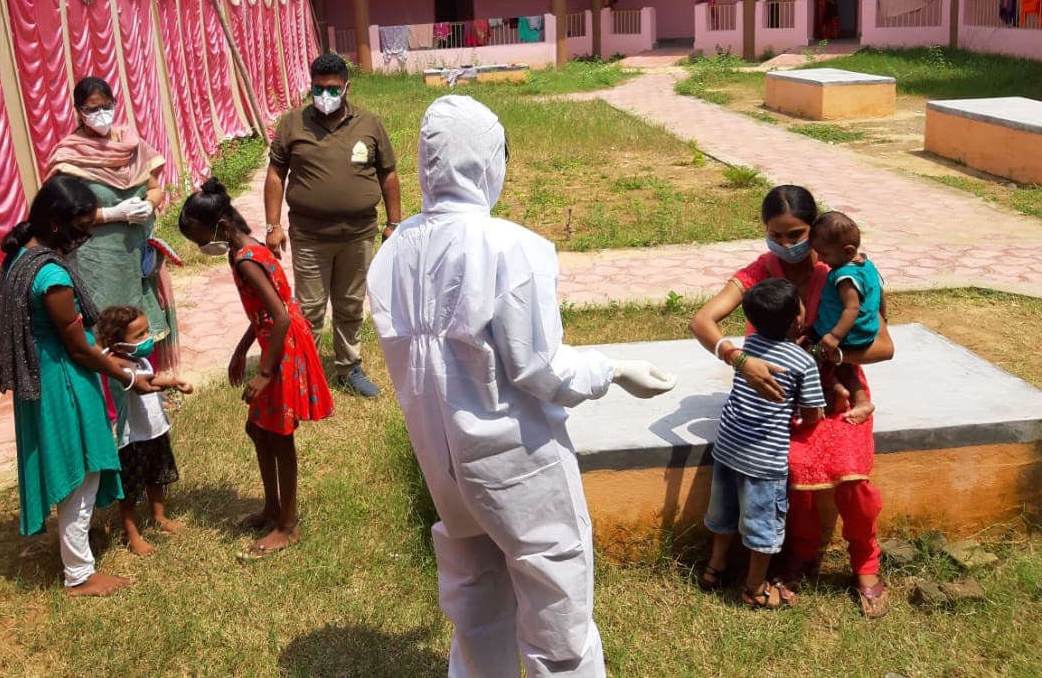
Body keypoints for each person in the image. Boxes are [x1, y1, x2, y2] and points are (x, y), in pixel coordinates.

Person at [367, 95, 676, 677]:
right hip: (516, 459)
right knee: (555, 593)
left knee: (475, 589)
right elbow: (542, 369)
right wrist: (613, 369)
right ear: (487, 160)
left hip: (441, 455)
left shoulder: (393, 251)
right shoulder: (512, 248)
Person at [689, 184, 895, 619]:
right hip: (775, 398)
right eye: (776, 234)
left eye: (796, 233)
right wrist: (739, 359)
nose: (785, 244)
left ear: (814, 228)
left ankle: (866, 562)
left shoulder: (845, 272)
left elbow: (884, 347)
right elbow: (702, 320)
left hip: (837, 390)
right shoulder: (758, 272)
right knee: (794, 472)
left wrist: (820, 354)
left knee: (852, 478)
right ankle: (796, 556)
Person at [0, 175, 163, 597]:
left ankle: (76, 557)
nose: (85, 236)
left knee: (77, 465)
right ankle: (79, 574)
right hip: (62, 380)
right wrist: (128, 376)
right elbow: (79, 349)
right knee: (81, 470)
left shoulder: (20, 256)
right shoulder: (51, 276)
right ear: (56, 224)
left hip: (46, 375)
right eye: (81, 228)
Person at [179, 178, 335, 559]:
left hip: (283, 348)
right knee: (258, 428)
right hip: (276, 343)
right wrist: (240, 350)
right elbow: (266, 312)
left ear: (221, 226)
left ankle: (288, 524)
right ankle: (272, 508)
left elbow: (279, 317)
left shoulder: (246, 260)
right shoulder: (248, 249)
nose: (201, 248)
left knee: (279, 435)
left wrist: (264, 373)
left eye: (201, 238)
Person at [264, 52, 402, 398]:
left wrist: (394, 222)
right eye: (318, 88)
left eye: (332, 89)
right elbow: (276, 174)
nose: (325, 96)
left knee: (351, 303)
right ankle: (306, 375)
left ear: (347, 88)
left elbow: (388, 174)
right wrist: (272, 225)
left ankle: (349, 368)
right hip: (310, 235)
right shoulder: (292, 124)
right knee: (309, 309)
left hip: (358, 235)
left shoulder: (369, 124)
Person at [700, 278, 825, 610]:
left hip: (727, 447)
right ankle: (755, 588)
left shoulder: (746, 348)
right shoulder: (804, 363)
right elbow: (812, 415)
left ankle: (715, 568)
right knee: (762, 525)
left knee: (723, 513)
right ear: (797, 318)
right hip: (764, 459)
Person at [45, 77, 178, 375]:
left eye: (107, 106)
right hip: (98, 259)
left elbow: (155, 188)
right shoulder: (70, 156)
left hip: (136, 251)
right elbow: (61, 214)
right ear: (79, 111)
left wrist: (150, 204)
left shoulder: (129, 143)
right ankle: (118, 391)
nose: (102, 114)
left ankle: (149, 381)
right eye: (93, 109)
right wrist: (111, 213)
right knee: (108, 320)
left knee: (143, 316)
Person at [94, 305, 194, 556]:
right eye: (138, 335)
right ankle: (132, 534)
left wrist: (170, 384)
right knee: (130, 490)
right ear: (117, 343)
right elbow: (143, 381)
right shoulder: (118, 364)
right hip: (134, 438)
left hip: (155, 431)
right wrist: (171, 382)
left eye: (147, 331)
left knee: (157, 477)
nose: (147, 338)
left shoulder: (140, 359)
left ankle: (159, 516)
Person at [808, 211, 883, 424]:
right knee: (845, 365)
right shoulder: (865, 264)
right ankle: (861, 402)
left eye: (824, 254)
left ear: (848, 251)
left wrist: (833, 336)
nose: (820, 259)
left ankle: (829, 391)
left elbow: (851, 308)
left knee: (810, 354)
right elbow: (878, 291)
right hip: (865, 330)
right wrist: (882, 318)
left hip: (846, 333)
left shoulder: (844, 277)